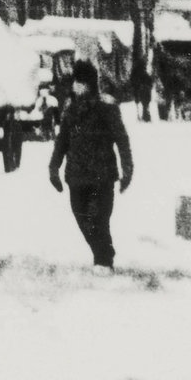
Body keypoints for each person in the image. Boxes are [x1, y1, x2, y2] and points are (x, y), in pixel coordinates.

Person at [48, 60, 135, 274]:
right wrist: (53, 168)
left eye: (81, 82)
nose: (76, 86)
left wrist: (127, 169)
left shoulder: (107, 107)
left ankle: (103, 260)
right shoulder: (71, 108)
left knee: (99, 219)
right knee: (82, 219)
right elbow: (62, 141)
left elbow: (121, 139)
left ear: (90, 83)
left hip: (102, 176)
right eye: (75, 82)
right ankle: (103, 254)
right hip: (76, 177)